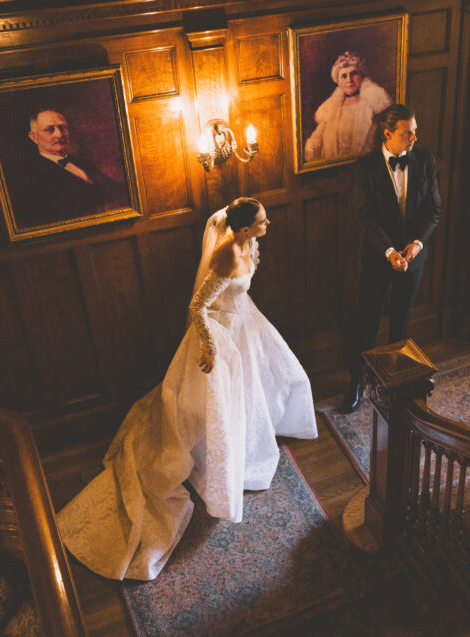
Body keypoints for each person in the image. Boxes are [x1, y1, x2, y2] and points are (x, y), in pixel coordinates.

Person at [56, 198, 318, 581]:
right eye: (262, 221)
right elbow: (198, 306)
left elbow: (242, 270)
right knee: (218, 406)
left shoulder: (249, 241)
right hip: (218, 334)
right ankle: (214, 461)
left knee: (274, 381)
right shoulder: (227, 253)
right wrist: (211, 347)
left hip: (245, 321)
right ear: (244, 229)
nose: (268, 224)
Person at [341, 104, 441, 412]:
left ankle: (396, 384)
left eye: (415, 132)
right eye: (407, 133)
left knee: (401, 319)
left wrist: (416, 245)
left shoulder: (425, 161)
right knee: (368, 320)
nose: (414, 138)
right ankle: (356, 379)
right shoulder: (364, 168)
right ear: (388, 134)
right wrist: (389, 252)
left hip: (413, 257)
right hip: (377, 256)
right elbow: (366, 217)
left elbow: (433, 210)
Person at [9, 108, 128, 226]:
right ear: (34, 137)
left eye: (62, 128)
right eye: (50, 130)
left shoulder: (84, 164)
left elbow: (116, 189)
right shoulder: (30, 176)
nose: (59, 134)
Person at [304, 52, 392, 163]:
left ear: (361, 76)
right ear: (338, 82)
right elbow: (316, 140)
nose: (349, 80)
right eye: (344, 76)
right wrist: (311, 148)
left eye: (354, 73)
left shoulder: (372, 106)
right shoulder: (331, 108)